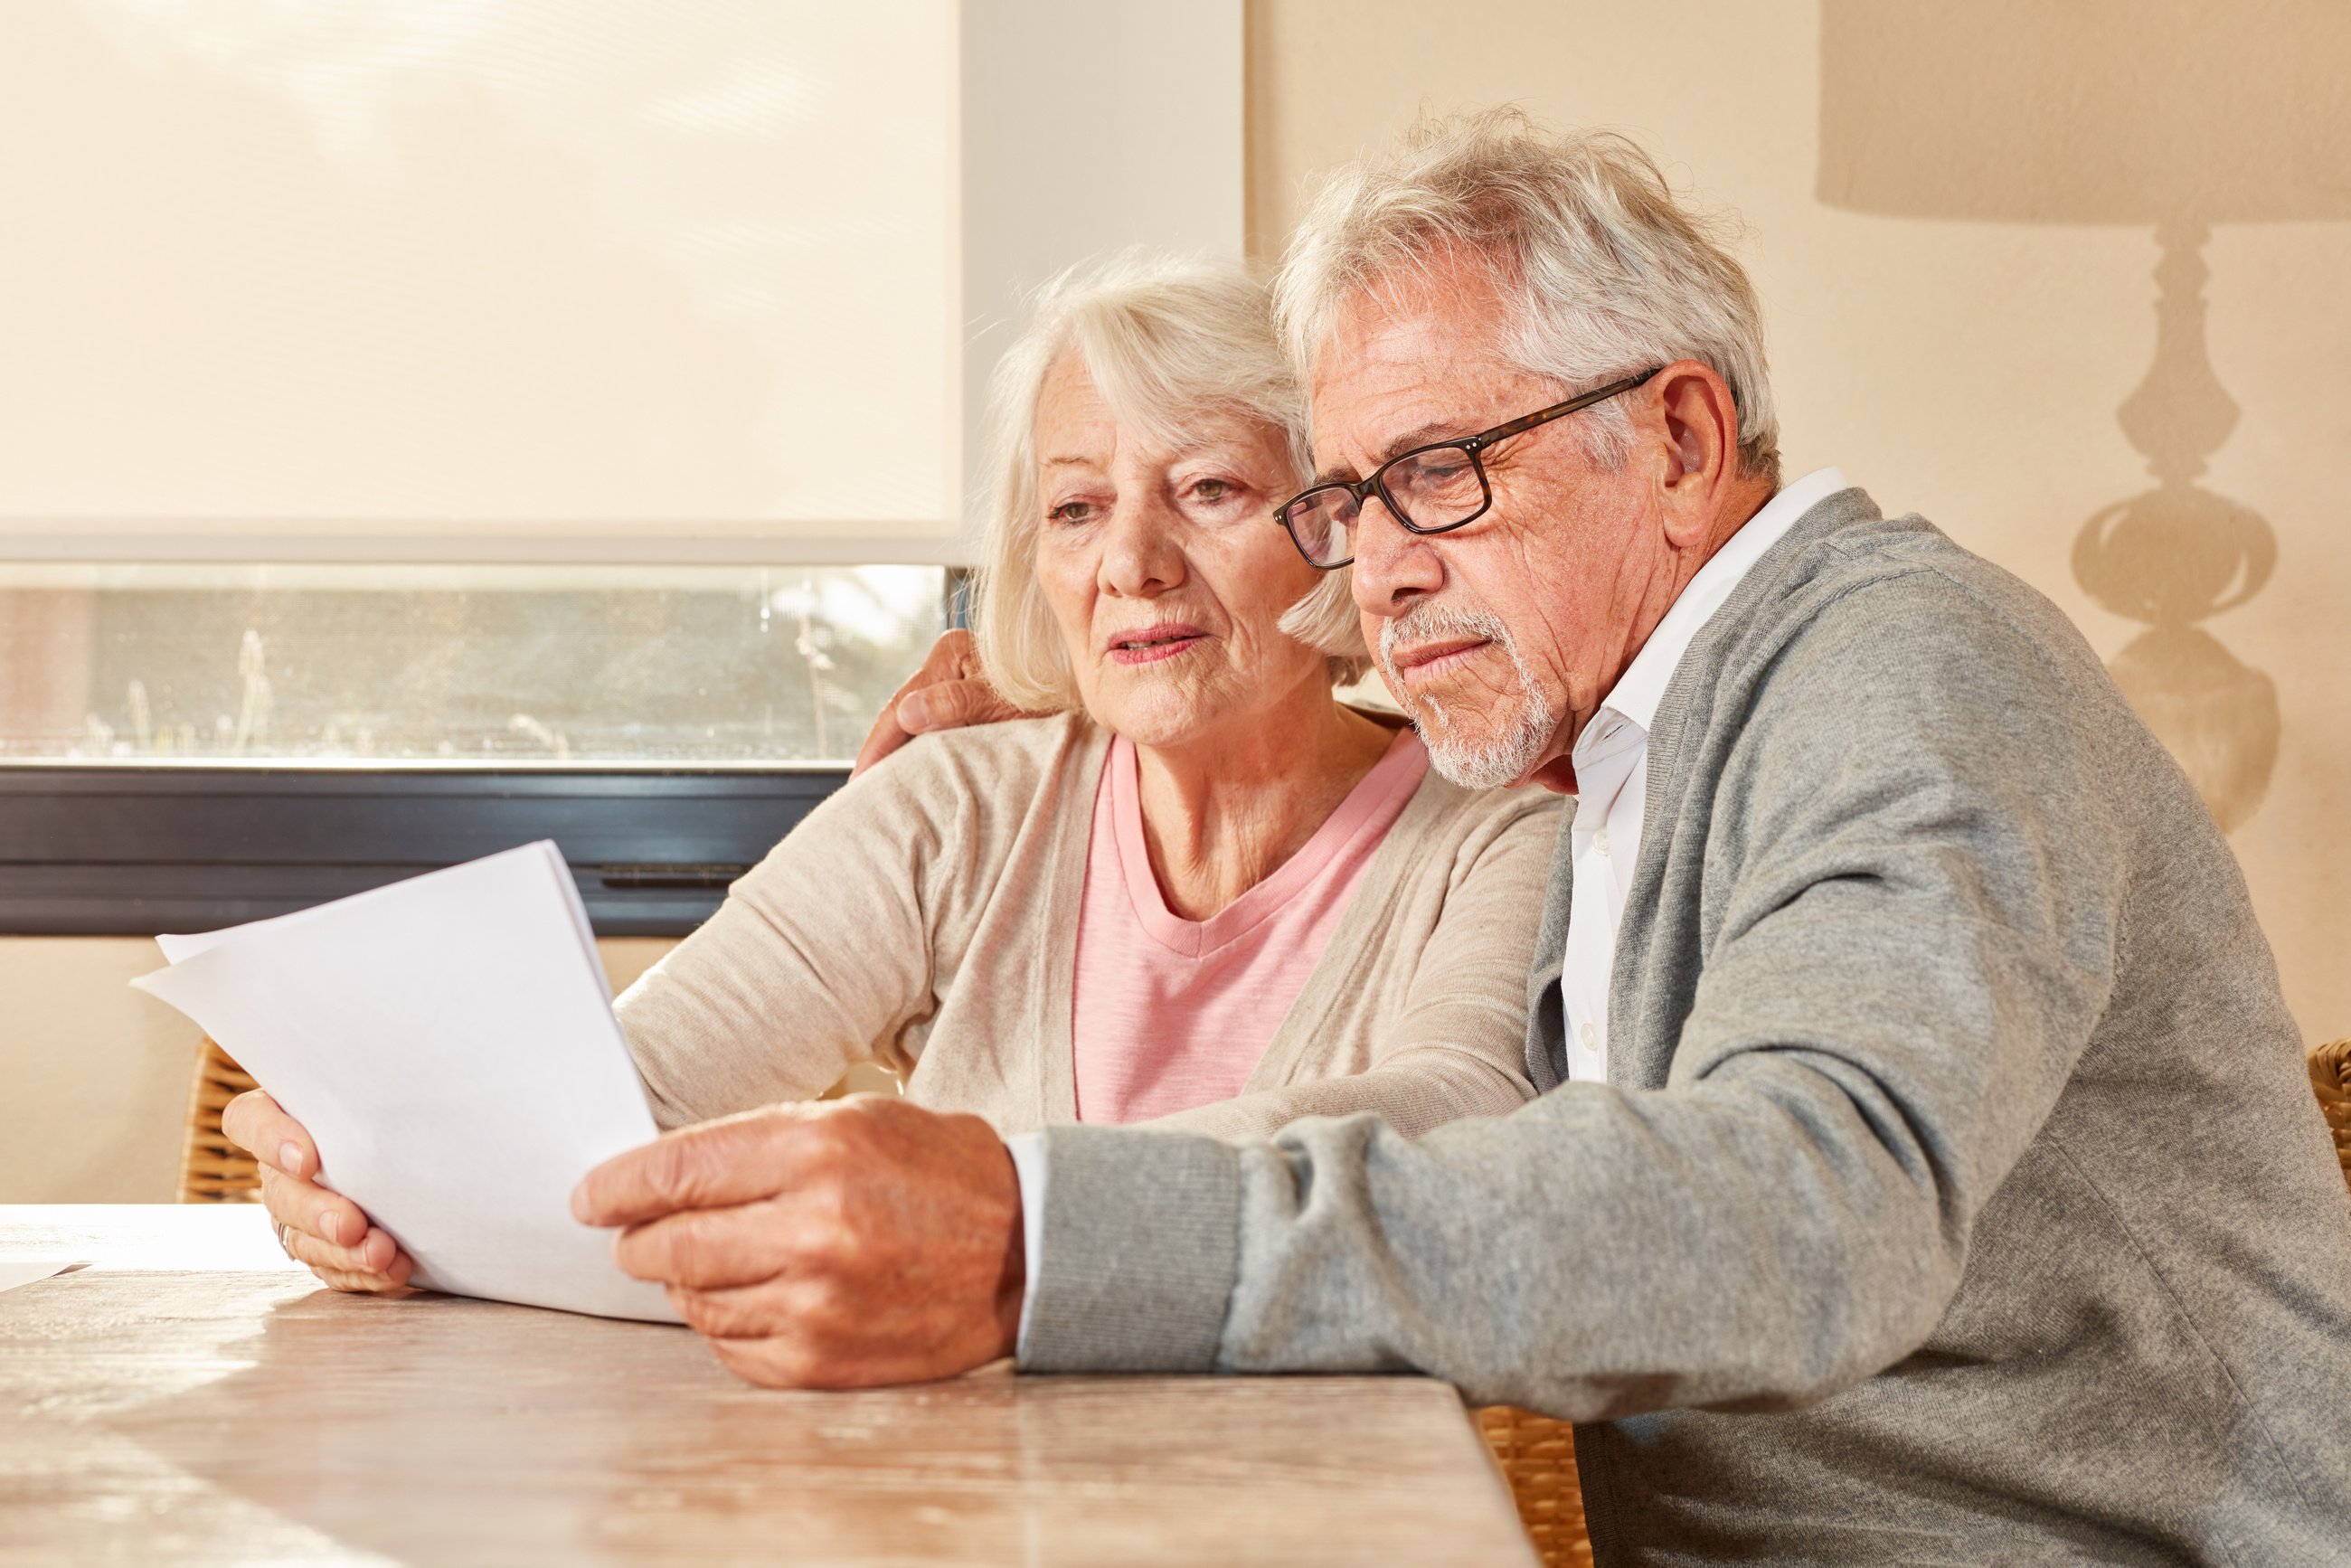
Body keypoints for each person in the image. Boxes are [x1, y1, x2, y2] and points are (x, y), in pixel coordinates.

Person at [568, 115, 2351, 1560]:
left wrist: (1042, 1229)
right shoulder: (1603, 748)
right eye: (1346, 499)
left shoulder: (1904, 673)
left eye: (1441, 471)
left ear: (1676, 433)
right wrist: (1070, 696)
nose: (1385, 561)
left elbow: (1810, 1216)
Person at [225, 253, 1562, 1313]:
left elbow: (1456, 1120)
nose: (1132, 564)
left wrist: (990, 1198)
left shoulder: (1494, 833)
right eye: (1078, 506)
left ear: (1333, 524)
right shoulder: (957, 806)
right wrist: (365, 1156)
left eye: (1209, 487)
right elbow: (621, 1107)